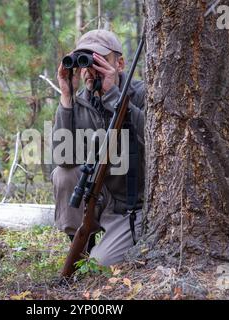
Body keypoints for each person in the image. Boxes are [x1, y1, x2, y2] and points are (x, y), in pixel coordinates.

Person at [52, 29, 145, 266]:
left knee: (99, 266)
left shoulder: (141, 94)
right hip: (97, 196)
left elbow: (155, 139)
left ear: (120, 63)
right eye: (85, 61)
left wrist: (114, 96)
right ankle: (80, 242)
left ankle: (97, 252)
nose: (90, 70)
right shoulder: (78, 100)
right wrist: (66, 98)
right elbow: (63, 158)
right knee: (63, 174)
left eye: (98, 60)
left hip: (130, 206)